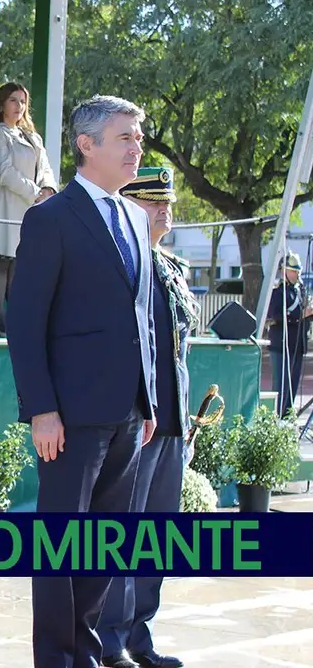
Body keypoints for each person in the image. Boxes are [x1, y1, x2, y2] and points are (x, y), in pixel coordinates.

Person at [7, 95, 158, 668]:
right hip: (69, 417)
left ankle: (86, 651)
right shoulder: (51, 219)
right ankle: (55, 656)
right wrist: (41, 409)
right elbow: (24, 321)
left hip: (125, 414)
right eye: (125, 137)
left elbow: (139, 319)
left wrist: (146, 402)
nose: (135, 147)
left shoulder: (135, 217)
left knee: (103, 546)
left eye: (137, 137)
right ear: (86, 144)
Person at [97, 167, 196, 668]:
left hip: (171, 419)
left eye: (167, 203)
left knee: (158, 533)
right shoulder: (124, 265)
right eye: (153, 202)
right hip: (137, 418)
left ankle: (140, 635)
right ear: (130, 206)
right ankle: (109, 639)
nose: (164, 211)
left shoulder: (171, 269)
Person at [0, 82, 57, 336]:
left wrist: (47, 189)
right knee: (1, 261)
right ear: (1, 103)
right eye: (13, 100)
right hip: (5, 205)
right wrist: (35, 193)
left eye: (23, 102)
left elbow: (45, 167)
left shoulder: (32, 136)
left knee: (20, 264)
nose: (19, 106)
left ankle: (16, 316)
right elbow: (1, 170)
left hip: (30, 210)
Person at [267, 250, 312, 417]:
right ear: (284, 271)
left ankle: (287, 416)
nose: (297, 274)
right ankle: (277, 418)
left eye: (298, 271)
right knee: (281, 385)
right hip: (281, 344)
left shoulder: (299, 290)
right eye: (293, 270)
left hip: (298, 344)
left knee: (293, 385)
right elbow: (275, 316)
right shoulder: (278, 293)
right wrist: (300, 315)